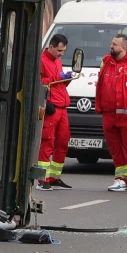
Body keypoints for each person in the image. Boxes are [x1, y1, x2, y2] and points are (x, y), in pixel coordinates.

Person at [96, 34, 127, 192]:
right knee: (115, 148)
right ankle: (121, 179)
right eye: (111, 43)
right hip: (109, 114)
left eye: (114, 44)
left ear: (124, 47)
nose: (111, 46)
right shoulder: (105, 61)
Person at [36, 34, 76, 190]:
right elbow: (39, 82)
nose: (61, 54)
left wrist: (67, 78)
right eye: (59, 50)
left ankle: (54, 177)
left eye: (63, 51)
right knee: (47, 142)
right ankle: (41, 178)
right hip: (52, 106)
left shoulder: (57, 61)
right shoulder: (41, 60)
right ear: (51, 47)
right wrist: (58, 76)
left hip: (62, 105)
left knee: (62, 142)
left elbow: (58, 85)